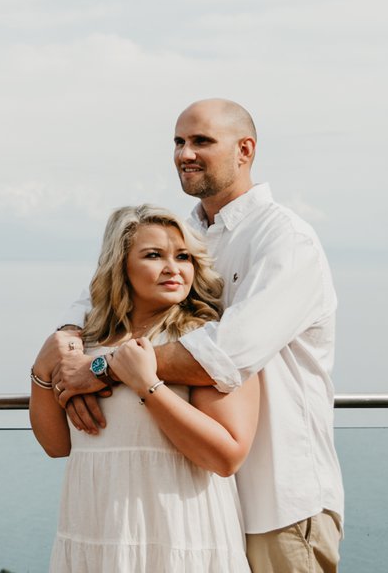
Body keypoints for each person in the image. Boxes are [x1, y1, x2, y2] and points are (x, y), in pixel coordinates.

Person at [36, 100, 345, 573]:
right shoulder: (191, 233)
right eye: (179, 142)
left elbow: (224, 354)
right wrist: (68, 345)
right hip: (200, 499)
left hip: (278, 499)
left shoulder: (284, 239)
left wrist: (100, 369)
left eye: (201, 141)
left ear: (245, 150)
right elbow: (95, 296)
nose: (185, 153)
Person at [32, 204, 259, 572]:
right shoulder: (87, 344)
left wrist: (148, 386)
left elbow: (226, 456)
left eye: (183, 257)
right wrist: (41, 372)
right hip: (97, 532)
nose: (173, 268)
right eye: (154, 255)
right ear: (120, 265)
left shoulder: (203, 342)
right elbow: (57, 446)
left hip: (180, 536)